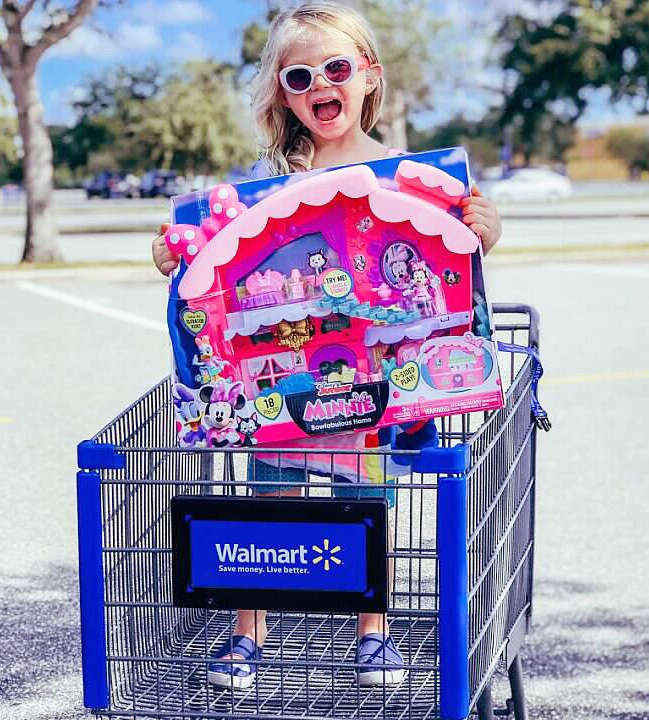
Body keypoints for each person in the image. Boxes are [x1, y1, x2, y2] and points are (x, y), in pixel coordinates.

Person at [152, 1, 502, 691]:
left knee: (370, 503)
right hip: (280, 380)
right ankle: (247, 633)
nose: (319, 87)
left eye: (335, 68)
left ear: (368, 77)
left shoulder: (410, 178)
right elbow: (217, 275)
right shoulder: (262, 186)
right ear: (282, 93)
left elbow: (451, 271)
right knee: (265, 501)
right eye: (298, 76)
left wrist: (481, 233)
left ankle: (375, 632)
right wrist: (176, 253)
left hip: (373, 381)